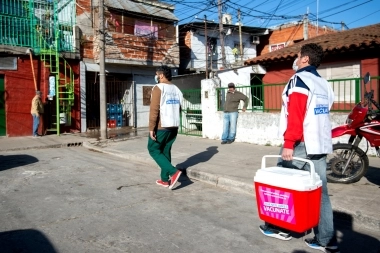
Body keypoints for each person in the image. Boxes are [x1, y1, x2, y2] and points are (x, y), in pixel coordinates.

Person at [258, 43, 340, 253]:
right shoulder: (323, 83)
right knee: (320, 192)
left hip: (299, 144)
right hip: (318, 143)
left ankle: (279, 228)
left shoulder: (299, 79)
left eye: (298, 55)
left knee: (280, 185)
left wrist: (288, 143)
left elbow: (296, 112)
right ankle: (326, 240)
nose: (295, 58)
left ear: (305, 59)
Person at [148, 65, 183, 190]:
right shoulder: (177, 89)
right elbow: (180, 108)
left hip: (161, 126)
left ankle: (173, 172)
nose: (156, 76)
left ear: (161, 75)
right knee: (165, 150)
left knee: (153, 150)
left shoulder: (158, 88)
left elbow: (154, 110)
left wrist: (151, 128)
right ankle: (164, 179)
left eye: (157, 74)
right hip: (174, 126)